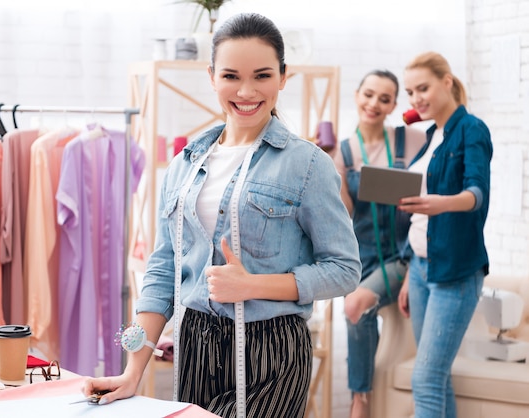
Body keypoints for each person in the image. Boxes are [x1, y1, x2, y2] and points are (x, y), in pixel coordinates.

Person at [82, 12, 361, 418]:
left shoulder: (308, 165)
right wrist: (132, 370)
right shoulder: (185, 163)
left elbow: (345, 269)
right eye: (231, 76)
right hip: (193, 341)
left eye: (262, 76)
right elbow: (163, 270)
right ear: (212, 76)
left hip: (272, 350)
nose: (246, 91)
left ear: (284, 77)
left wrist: (253, 285)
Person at [397, 51, 492, 418]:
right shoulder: (431, 136)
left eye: (423, 88)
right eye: (409, 92)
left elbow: (476, 194)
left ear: (447, 82)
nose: (416, 98)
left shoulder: (472, 130)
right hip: (421, 269)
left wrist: (442, 203)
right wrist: (409, 274)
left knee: (425, 378)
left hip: (456, 272)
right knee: (435, 377)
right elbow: (422, 218)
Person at [333, 69, 426, 418]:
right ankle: (363, 391)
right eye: (368, 94)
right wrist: (329, 169)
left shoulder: (411, 141)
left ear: (393, 106)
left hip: (402, 255)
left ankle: (360, 399)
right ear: (357, 94)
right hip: (360, 257)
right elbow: (345, 215)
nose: (374, 104)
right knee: (358, 311)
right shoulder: (342, 152)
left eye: (384, 99)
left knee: (354, 305)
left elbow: (435, 182)